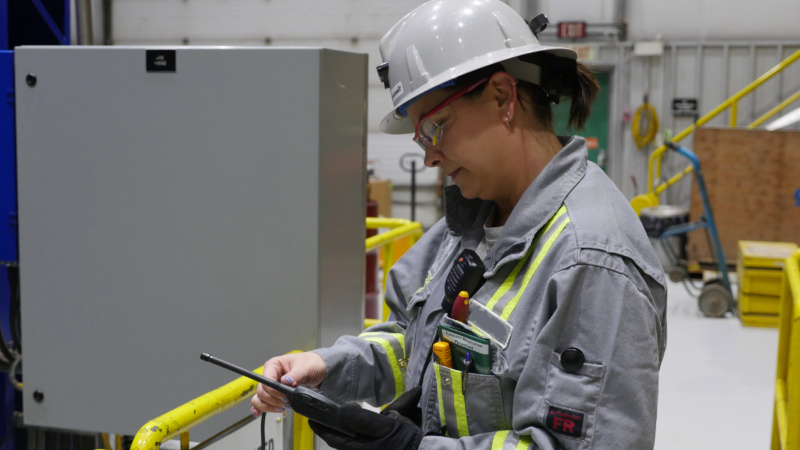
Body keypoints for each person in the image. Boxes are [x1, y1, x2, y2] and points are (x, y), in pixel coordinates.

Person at [251, 0, 667, 448]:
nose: (428, 154)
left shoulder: (593, 260)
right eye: (420, 137)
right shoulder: (470, 223)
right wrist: (328, 366)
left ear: (503, 97)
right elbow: (418, 344)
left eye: (436, 127)